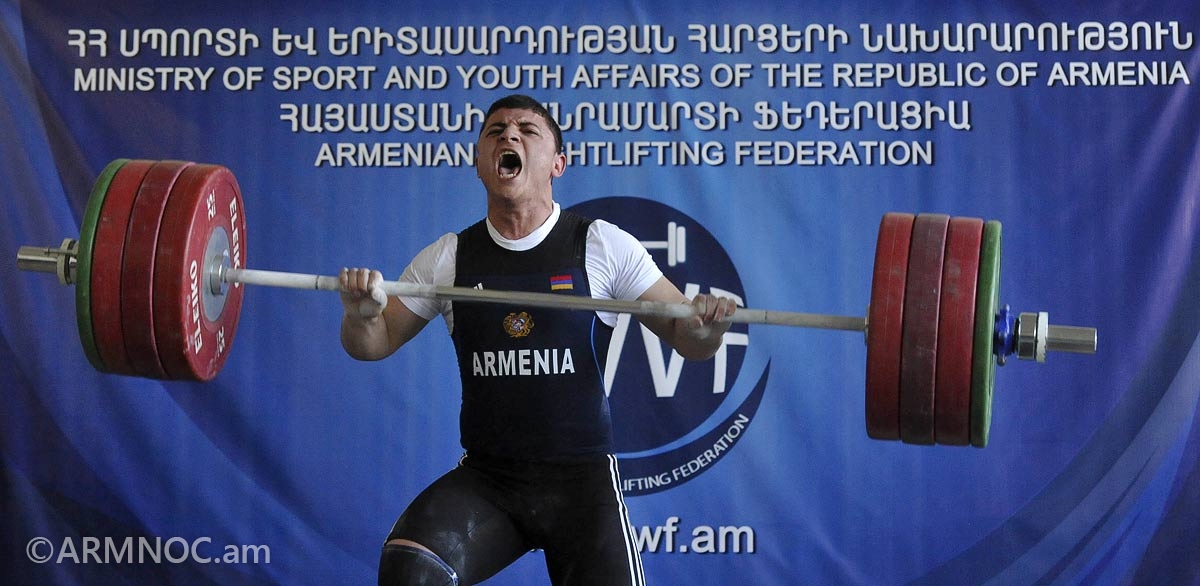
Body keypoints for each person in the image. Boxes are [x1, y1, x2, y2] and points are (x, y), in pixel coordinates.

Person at [339, 94, 736, 586]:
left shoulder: (601, 245)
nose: (509, 135)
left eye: (527, 131)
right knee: (410, 569)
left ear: (557, 164)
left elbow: (688, 338)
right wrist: (360, 316)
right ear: (480, 164)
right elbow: (372, 343)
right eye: (495, 131)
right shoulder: (448, 258)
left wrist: (707, 328)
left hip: (582, 486)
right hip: (489, 482)